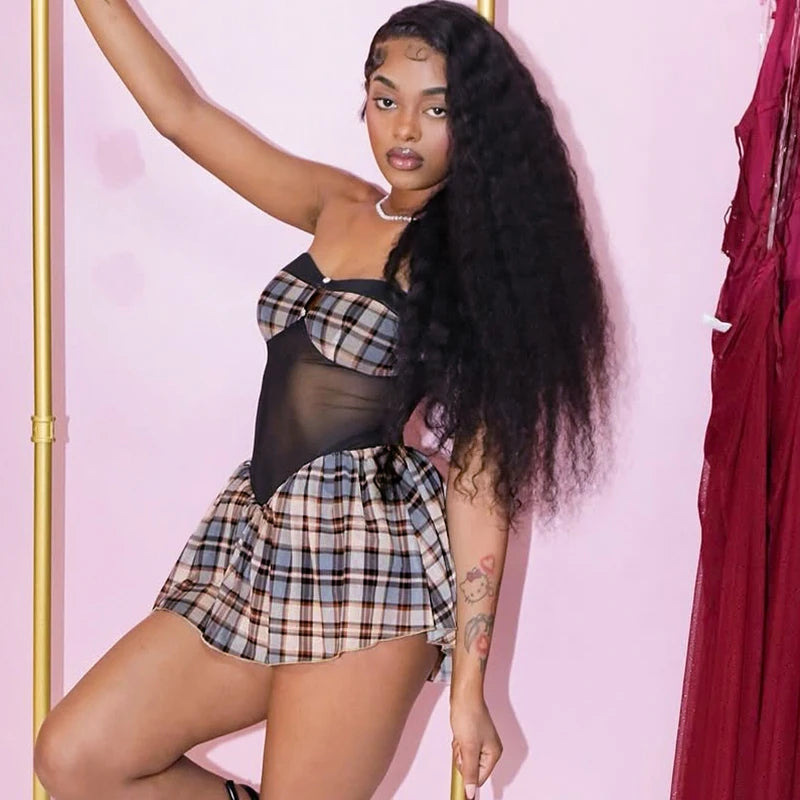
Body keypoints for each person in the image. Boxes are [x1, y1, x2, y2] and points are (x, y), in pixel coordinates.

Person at [33, 1, 614, 798]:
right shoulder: (338, 203)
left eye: (436, 108)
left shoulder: (476, 264)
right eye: (385, 99)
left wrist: (468, 690)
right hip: (261, 540)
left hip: (369, 570)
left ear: (475, 120)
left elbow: (483, 483)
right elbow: (180, 115)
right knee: (76, 756)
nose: (403, 128)